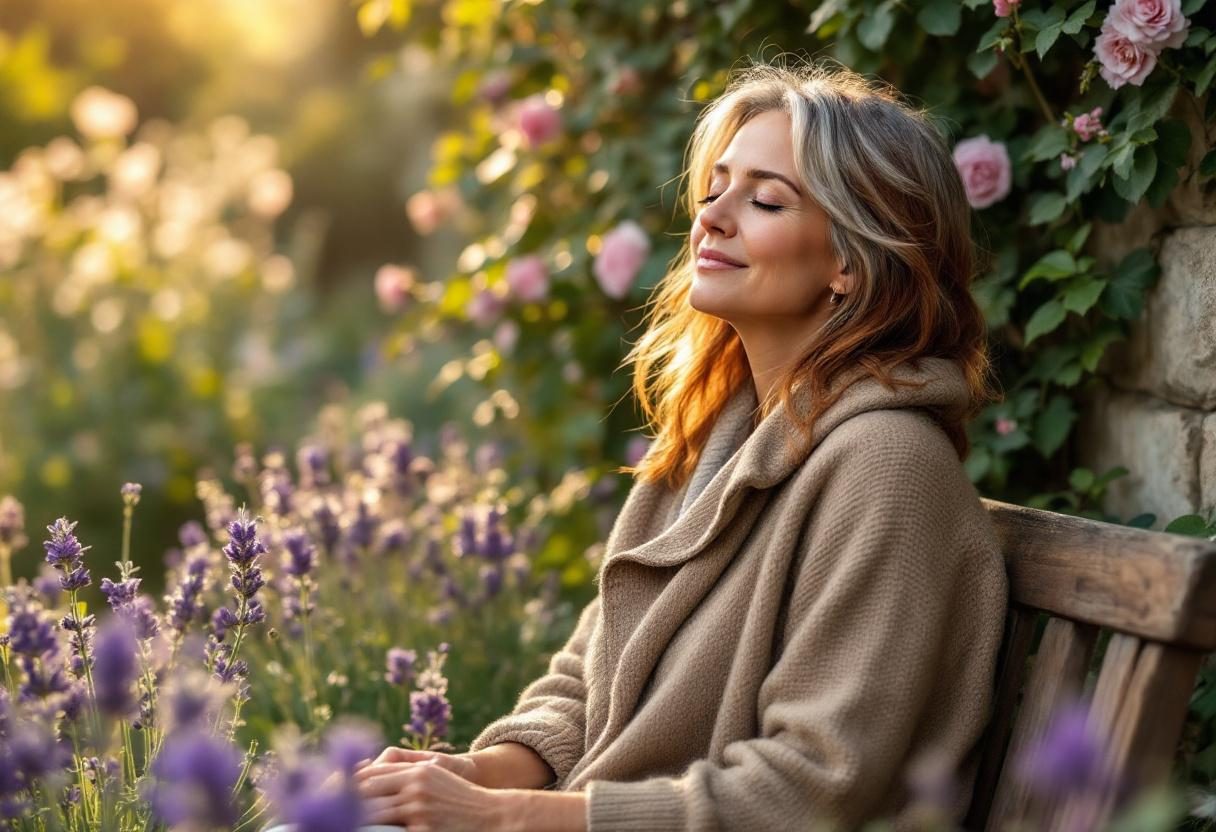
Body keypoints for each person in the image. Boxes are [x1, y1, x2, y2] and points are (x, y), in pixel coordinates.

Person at [340, 58, 1011, 832]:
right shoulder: (718, 435)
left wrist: (502, 818)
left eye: (764, 200)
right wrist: (470, 773)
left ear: (850, 266)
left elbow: (808, 789)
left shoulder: (887, 467)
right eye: (715, 187)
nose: (713, 217)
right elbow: (591, 678)